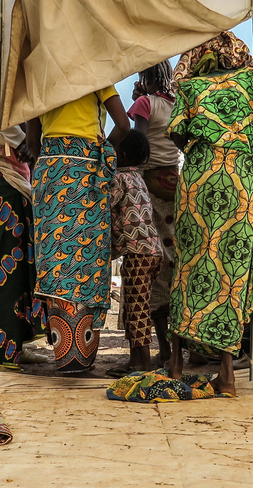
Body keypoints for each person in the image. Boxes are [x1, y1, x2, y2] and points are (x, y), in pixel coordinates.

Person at [166, 32, 253, 395]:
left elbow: (174, 132)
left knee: (189, 263)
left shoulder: (190, 87)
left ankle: (175, 362)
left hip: (200, 176)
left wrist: (198, 146)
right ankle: (226, 374)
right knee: (234, 269)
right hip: (240, 178)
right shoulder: (251, 79)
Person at [26, 86, 130, 374]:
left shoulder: (44, 77)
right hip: (85, 171)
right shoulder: (96, 76)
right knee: (87, 258)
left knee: (55, 261)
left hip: (50, 170)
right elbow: (123, 125)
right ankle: (80, 358)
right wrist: (101, 149)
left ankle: (64, 355)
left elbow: (32, 143)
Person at [128, 62, 183, 367]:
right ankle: (175, 348)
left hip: (148, 184)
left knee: (151, 263)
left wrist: (138, 101)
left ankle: (162, 349)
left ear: (145, 78)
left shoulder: (144, 104)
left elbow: (138, 146)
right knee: (171, 260)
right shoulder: (175, 105)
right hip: (174, 182)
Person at [0, 126, 47, 369]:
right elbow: (2, 119)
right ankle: (0, 352)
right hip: (5, 184)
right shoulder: (2, 94)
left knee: (15, 274)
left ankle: (15, 346)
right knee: (5, 273)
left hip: (13, 182)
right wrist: (23, 143)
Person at [107, 129, 164, 376]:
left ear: (123, 154)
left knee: (137, 310)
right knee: (133, 307)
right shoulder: (139, 178)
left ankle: (143, 364)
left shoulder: (119, 179)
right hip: (152, 252)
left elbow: (106, 204)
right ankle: (134, 360)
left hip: (138, 254)